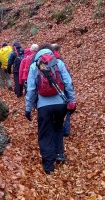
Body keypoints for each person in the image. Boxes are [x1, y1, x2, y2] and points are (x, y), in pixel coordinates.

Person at [24, 46, 76, 175]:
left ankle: (48, 165)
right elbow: (68, 83)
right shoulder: (58, 63)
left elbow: (31, 89)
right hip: (61, 104)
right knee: (58, 127)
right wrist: (72, 100)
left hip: (43, 106)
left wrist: (28, 107)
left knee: (45, 133)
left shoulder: (34, 67)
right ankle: (59, 153)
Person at [52, 43, 71, 137]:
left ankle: (55, 126)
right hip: (63, 88)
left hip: (54, 90)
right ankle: (66, 128)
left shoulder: (46, 60)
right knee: (68, 108)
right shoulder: (60, 60)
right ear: (58, 50)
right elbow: (67, 77)